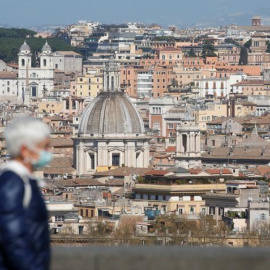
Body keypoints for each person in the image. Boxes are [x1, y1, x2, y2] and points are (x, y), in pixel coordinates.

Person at [0, 116, 52, 270]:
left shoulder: (22, 180)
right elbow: (13, 240)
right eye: (45, 147)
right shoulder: (13, 183)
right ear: (25, 150)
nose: (50, 151)